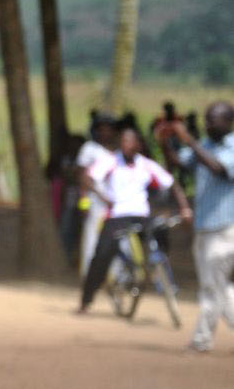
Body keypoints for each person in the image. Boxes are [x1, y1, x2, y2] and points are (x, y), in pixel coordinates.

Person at [78, 124, 192, 314]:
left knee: (161, 231)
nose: (126, 145)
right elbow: (87, 178)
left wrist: (185, 208)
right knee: (102, 255)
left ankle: (158, 271)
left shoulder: (146, 165)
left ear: (138, 144)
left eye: (130, 141)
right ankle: (86, 300)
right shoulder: (110, 161)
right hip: (116, 216)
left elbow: (172, 184)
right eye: (123, 141)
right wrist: (102, 196)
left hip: (140, 215)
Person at [163, 102, 234, 352]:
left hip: (225, 229)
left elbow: (219, 168)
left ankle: (201, 340)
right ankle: (203, 339)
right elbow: (179, 164)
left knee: (210, 289)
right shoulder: (204, 145)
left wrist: (189, 140)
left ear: (229, 122)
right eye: (207, 119)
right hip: (204, 228)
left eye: (213, 120)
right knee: (219, 287)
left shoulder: (231, 147)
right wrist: (165, 139)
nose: (208, 124)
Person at [74, 114, 118, 276]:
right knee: (92, 238)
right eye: (102, 129)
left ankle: (116, 274)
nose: (105, 133)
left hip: (116, 204)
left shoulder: (119, 150)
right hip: (95, 202)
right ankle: (90, 274)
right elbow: (82, 177)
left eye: (109, 129)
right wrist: (83, 202)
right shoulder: (89, 149)